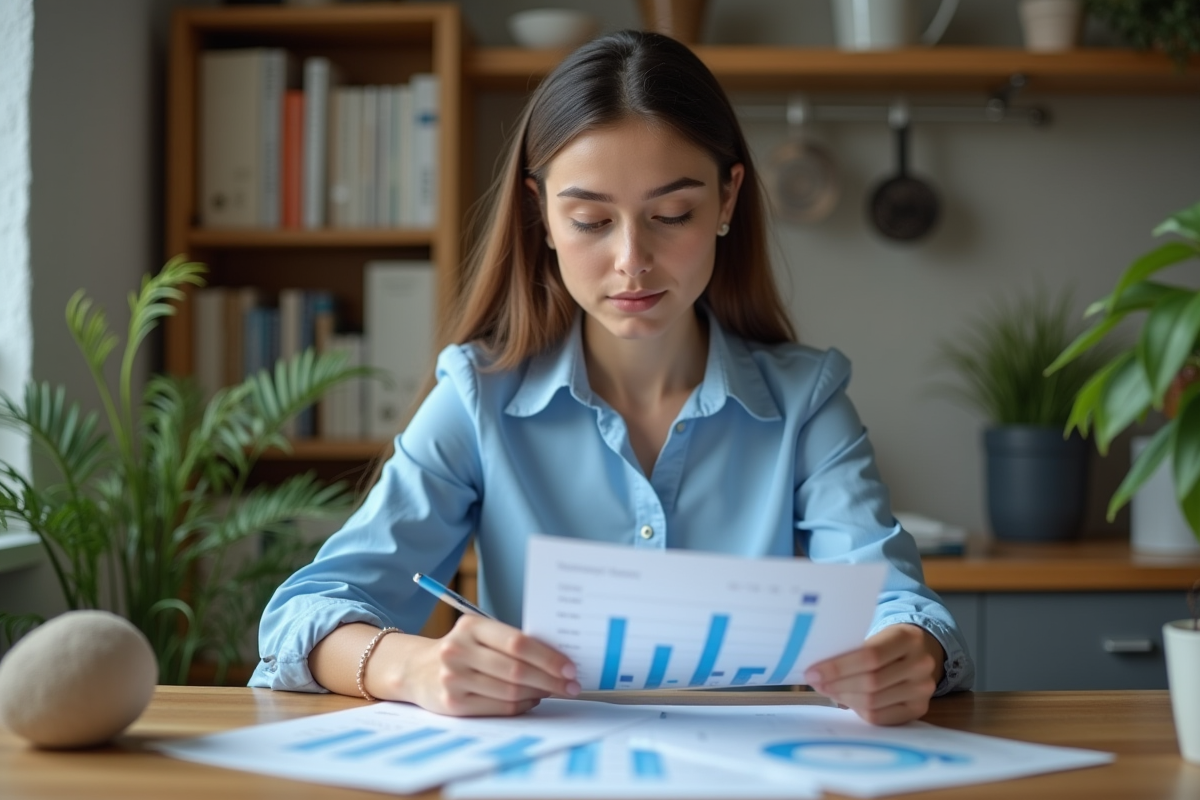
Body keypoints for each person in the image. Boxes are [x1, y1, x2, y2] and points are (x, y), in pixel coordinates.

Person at [250, 29, 974, 725]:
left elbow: (900, 607)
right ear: (540, 213)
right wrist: (414, 667)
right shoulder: (477, 398)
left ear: (727, 199)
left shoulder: (805, 403)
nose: (632, 260)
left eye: (672, 214)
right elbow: (304, 615)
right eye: (592, 221)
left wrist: (910, 653)